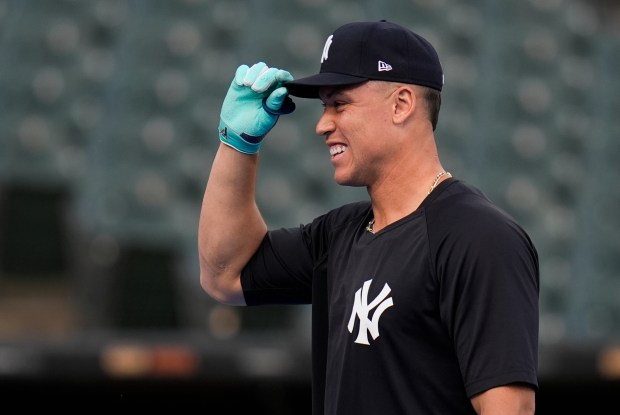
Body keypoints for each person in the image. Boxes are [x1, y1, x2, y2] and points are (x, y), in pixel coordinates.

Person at [199, 20, 539, 415]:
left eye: (339, 104)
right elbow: (224, 275)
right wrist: (238, 145)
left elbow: (509, 409)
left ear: (401, 104)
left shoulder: (477, 236)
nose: (322, 124)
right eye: (325, 107)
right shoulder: (339, 234)